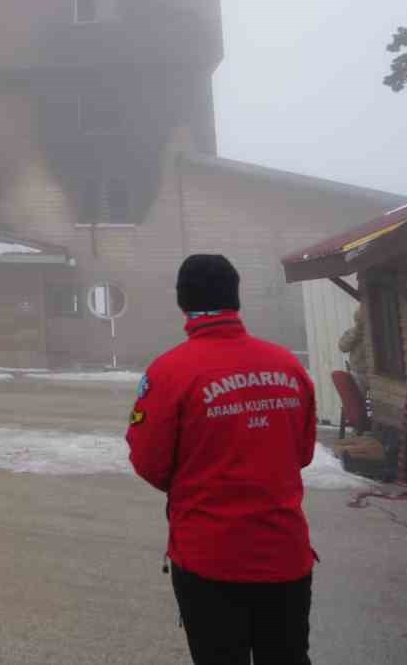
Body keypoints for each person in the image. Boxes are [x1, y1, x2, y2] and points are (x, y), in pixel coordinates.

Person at [127, 253, 318, 665]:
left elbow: (149, 461)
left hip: (208, 559)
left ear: (182, 302)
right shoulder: (288, 365)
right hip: (286, 554)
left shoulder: (169, 372)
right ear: (236, 299)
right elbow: (301, 453)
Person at [337, 305, 369, 395]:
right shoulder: (351, 332)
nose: (359, 323)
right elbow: (342, 347)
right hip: (357, 373)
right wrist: (355, 334)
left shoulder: (373, 332)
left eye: (361, 321)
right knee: (358, 401)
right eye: (358, 321)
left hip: (372, 374)